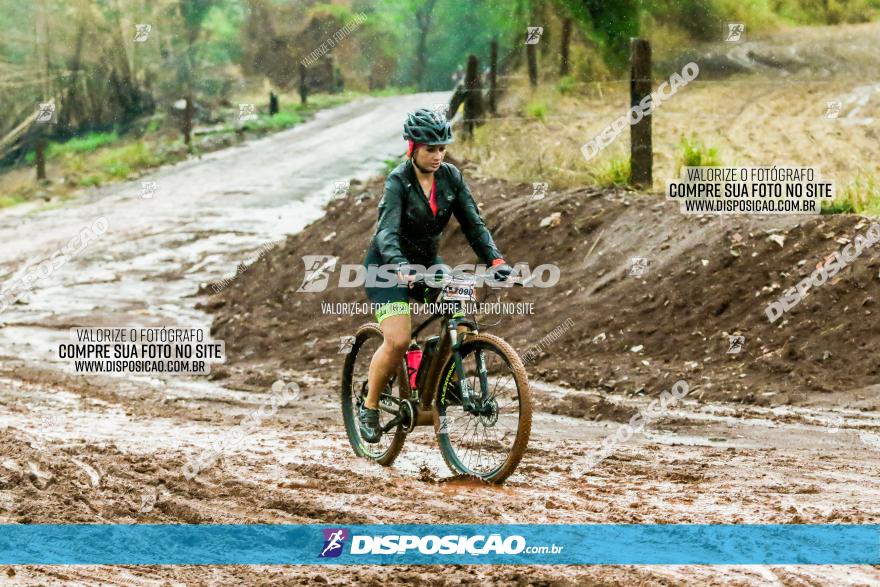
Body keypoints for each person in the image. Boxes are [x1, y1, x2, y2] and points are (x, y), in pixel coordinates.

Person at [358, 108, 514, 443]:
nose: (437, 155)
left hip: (428, 264)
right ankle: (369, 407)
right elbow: (385, 233)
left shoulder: (451, 178)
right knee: (399, 339)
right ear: (412, 147)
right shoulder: (397, 181)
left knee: (460, 307)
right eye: (430, 148)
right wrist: (401, 267)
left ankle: (441, 377)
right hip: (386, 268)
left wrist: (496, 261)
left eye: (442, 148)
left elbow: (474, 225)